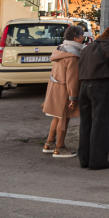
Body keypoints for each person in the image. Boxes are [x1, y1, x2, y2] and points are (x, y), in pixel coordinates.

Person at [77, 24, 109, 170]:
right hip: (99, 86)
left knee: (86, 124)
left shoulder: (88, 47)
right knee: (100, 124)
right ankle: (98, 161)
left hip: (84, 87)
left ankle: (84, 159)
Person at [41, 24, 84, 158]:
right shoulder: (73, 54)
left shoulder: (61, 49)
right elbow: (72, 78)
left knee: (57, 117)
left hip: (55, 87)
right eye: (82, 36)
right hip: (65, 90)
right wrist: (73, 97)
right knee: (64, 119)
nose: (84, 38)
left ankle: (49, 143)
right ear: (76, 38)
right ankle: (60, 148)